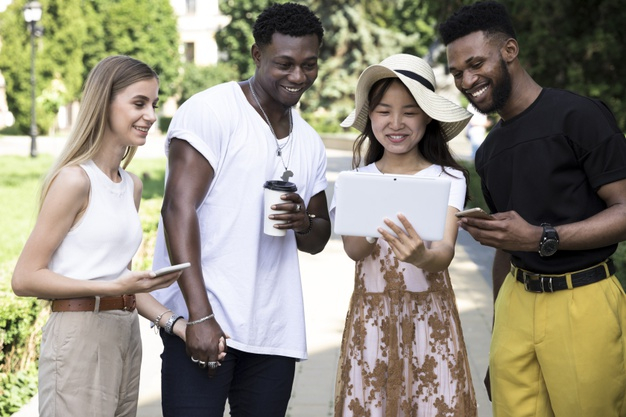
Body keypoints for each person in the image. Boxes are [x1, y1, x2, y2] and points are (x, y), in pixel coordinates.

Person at [439, 2, 626, 416]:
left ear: (509, 50)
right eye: (456, 73)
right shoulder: (488, 152)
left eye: (475, 64)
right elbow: (507, 247)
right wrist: (497, 337)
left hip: (584, 299)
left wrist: (542, 237)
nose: (467, 80)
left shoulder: (580, 116)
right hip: (516, 305)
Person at [150, 3, 330, 416]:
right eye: (284, 63)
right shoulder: (213, 110)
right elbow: (177, 208)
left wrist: (304, 222)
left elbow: (319, 237)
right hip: (204, 322)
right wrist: (198, 316)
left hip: (274, 334)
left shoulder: (309, 141)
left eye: (308, 64)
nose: (298, 76)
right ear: (256, 54)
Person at [11, 55, 187, 417]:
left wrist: (178, 325)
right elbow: (26, 277)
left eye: (153, 104)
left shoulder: (131, 186)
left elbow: (123, 281)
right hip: (79, 335)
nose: (151, 116)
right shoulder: (75, 180)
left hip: (124, 335)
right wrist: (112, 288)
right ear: (104, 103)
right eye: (138, 103)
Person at [331, 53, 477, 416]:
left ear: (427, 117)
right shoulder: (357, 180)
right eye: (383, 111)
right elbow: (353, 251)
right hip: (372, 320)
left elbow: (444, 251)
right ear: (370, 117)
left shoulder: (448, 178)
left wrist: (420, 257)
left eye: (410, 112)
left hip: (431, 317)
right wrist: (371, 210)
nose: (396, 123)